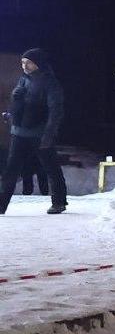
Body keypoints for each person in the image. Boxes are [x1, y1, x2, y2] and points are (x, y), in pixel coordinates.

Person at [2, 49, 65, 215]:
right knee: (11, 170)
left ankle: (59, 202)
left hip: (39, 134)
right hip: (19, 132)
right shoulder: (23, 79)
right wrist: (12, 109)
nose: (24, 66)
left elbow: (56, 110)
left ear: (38, 63)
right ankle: (1, 204)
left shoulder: (49, 82)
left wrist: (49, 134)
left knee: (51, 169)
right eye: (23, 62)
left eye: (28, 63)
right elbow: (20, 105)